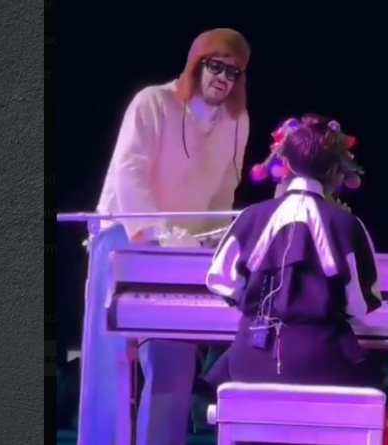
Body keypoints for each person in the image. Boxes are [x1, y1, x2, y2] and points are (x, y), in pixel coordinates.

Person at [79, 28, 251, 445]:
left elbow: (223, 195)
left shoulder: (237, 122)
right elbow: (129, 174)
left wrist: (214, 244)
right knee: (111, 365)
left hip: (182, 257)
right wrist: (156, 237)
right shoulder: (153, 102)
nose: (223, 78)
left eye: (233, 72)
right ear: (196, 64)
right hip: (125, 241)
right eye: (216, 66)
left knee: (173, 362)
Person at [203, 115, 388, 444]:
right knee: (379, 378)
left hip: (252, 360)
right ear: (335, 171)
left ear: (285, 165)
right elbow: (359, 304)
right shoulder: (347, 225)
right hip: (321, 361)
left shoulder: (251, 216)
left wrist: (261, 306)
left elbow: (222, 282)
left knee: (222, 366)